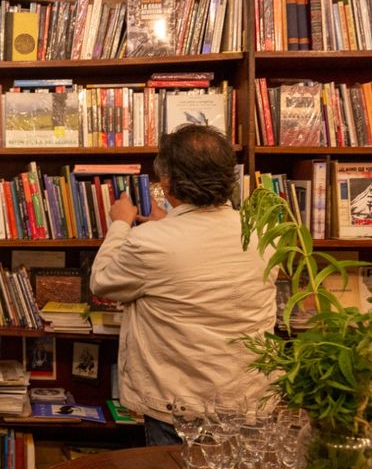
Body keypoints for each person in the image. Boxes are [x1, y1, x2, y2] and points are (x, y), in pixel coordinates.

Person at [89, 124, 275, 446]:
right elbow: (202, 257)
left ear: (167, 181)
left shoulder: (150, 242)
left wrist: (120, 223)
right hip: (250, 400)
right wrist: (169, 222)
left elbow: (102, 281)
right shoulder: (264, 234)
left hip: (180, 409)